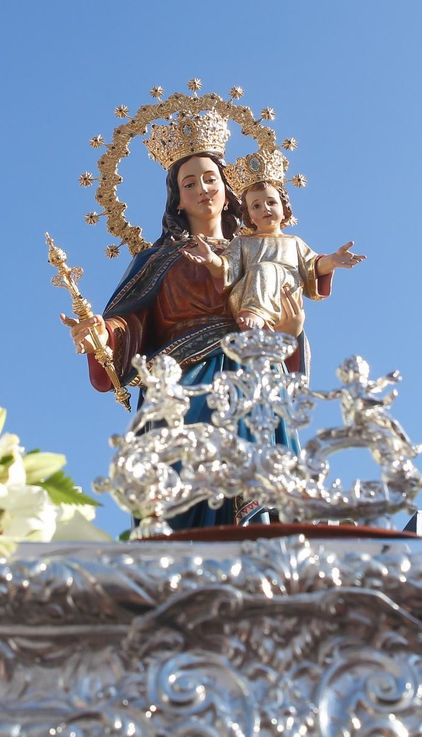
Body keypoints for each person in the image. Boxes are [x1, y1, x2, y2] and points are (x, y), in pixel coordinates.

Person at [65, 109, 306, 530]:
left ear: (227, 187)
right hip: (182, 376)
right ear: (177, 198)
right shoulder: (157, 259)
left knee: (255, 462)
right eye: (189, 183)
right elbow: (131, 322)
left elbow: (283, 314)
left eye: (210, 178)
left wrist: (290, 329)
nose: (202, 189)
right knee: (181, 474)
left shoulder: (259, 251)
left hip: (250, 368)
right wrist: (101, 333)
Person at [222, 149, 364, 336]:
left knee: (266, 269)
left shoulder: (293, 242)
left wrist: (333, 260)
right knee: (261, 270)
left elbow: (311, 266)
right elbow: (228, 268)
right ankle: (256, 316)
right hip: (246, 295)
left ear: (284, 206)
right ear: (248, 215)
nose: (265, 208)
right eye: (256, 206)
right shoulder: (242, 242)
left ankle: (259, 317)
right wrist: (210, 260)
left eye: (271, 202)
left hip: (285, 295)